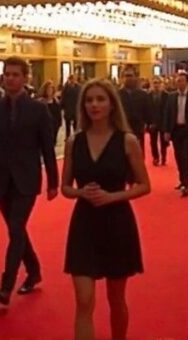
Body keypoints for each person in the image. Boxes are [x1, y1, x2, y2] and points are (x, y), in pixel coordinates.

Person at [61, 79, 150, 340]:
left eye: (100, 99)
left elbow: (145, 185)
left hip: (117, 223)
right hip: (84, 224)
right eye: (89, 100)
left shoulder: (127, 141)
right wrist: (80, 193)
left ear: (112, 105)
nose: (94, 105)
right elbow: (65, 187)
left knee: (116, 298)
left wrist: (113, 196)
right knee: (84, 300)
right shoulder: (73, 142)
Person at [0, 56, 60, 306]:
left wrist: (53, 182)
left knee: (15, 227)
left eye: (15, 74)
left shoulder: (38, 109)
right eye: (7, 74)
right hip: (1, 180)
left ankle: (6, 285)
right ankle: (33, 270)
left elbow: (47, 148)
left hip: (27, 178)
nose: (10, 78)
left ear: (25, 78)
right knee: (17, 229)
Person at [119, 65, 151, 157]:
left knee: (138, 155)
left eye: (130, 76)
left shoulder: (142, 94)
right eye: (126, 76)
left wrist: (149, 124)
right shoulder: (117, 94)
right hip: (122, 128)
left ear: (135, 77)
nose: (128, 78)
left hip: (138, 129)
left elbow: (147, 112)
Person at [147, 77, 169, 166]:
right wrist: (149, 123)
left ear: (161, 84)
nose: (156, 85)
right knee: (153, 142)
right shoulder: (148, 96)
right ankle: (155, 157)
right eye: (154, 83)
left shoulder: (166, 95)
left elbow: (168, 111)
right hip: (152, 123)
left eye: (158, 83)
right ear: (152, 84)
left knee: (163, 142)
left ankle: (164, 157)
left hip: (163, 122)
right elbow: (147, 111)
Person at [61, 74, 82, 140]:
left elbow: (80, 97)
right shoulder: (66, 87)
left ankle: (76, 137)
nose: (72, 80)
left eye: (73, 79)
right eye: (71, 79)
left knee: (76, 124)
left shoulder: (78, 87)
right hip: (68, 108)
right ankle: (67, 136)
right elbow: (63, 97)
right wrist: (63, 106)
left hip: (75, 108)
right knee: (67, 125)